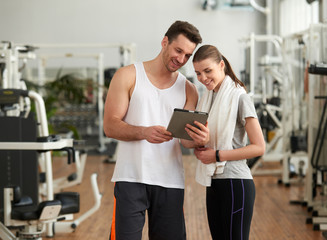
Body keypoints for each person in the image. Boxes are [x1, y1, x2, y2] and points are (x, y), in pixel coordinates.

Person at [103, 21, 209, 240]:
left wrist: (200, 139)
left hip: (170, 182)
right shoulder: (127, 76)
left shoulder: (189, 90)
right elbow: (110, 126)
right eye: (178, 50)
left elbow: (186, 141)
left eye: (187, 55)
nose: (181, 59)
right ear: (164, 42)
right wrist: (143, 132)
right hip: (131, 178)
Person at [191, 45, 266, 240]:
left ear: (221, 65)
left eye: (208, 71)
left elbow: (259, 147)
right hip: (214, 182)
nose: (203, 78)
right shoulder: (208, 98)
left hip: (236, 182)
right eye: (198, 73)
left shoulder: (239, 97)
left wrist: (216, 155)